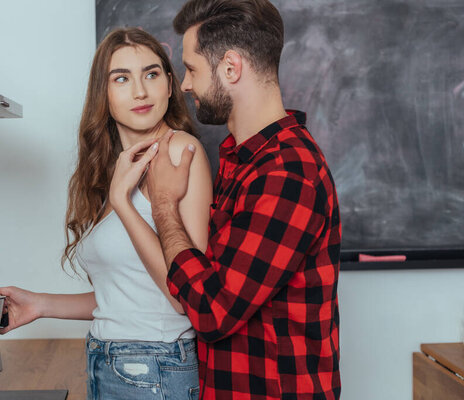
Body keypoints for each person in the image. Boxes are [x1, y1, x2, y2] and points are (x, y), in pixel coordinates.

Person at [0, 28, 212, 400]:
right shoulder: (117, 169)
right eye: (122, 78)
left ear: (171, 85)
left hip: (155, 367)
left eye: (152, 74)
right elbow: (127, 297)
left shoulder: (180, 152)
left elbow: (184, 298)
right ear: (104, 94)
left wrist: (123, 203)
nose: (140, 91)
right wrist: (41, 304)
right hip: (110, 362)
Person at [144, 1, 342, 399]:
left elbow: (213, 311)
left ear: (231, 68)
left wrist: (163, 204)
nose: (184, 84)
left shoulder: (287, 172)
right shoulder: (244, 159)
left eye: (193, 69)